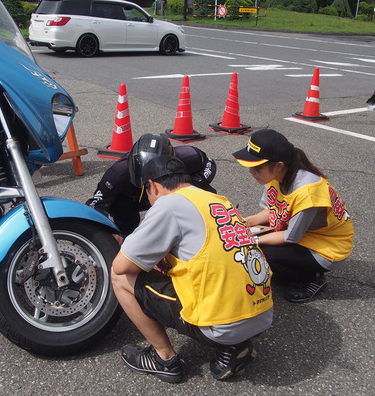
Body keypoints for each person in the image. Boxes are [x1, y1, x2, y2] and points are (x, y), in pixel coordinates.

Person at [111, 154, 273, 383]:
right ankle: (234, 346)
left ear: (153, 186)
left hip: (221, 325)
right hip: (262, 313)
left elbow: (121, 265)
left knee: (119, 277)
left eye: (145, 194)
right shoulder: (217, 199)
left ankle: (164, 359)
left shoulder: (168, 204)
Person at [232, 129, 354, 303]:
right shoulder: (277, 176)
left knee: (259, 253)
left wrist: (251, 239)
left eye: (257, 167)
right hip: (305, 234)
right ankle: (293, 268)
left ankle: (313, 277)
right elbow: (273, 210)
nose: (252, 171)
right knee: (251, 245)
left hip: (328, 247)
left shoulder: (307, 191)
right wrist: (243, 222)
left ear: (279, 165)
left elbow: (291, 236)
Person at [86, 134, 216, 237]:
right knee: (120, 209)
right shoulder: (116, 174)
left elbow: (209, 163)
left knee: (203, 194)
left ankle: (211, 224)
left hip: (171, 188)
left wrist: (192, 185)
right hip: (134, 198)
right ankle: (126, 235)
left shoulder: (190, 155)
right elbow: (96, 205)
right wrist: (105, 235)